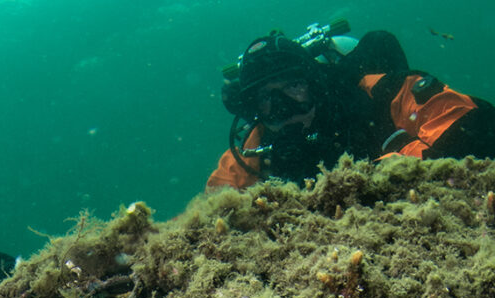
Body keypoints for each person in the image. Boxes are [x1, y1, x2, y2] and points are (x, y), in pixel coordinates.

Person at [207, 22, 495, 190]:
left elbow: (477, 128)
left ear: (315, 84)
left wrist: (374, 177)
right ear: (253, 107)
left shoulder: (382, 93)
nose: (283, 106)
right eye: (267, 98)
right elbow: (213, 209)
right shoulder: (253, 148)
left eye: (294, 87)